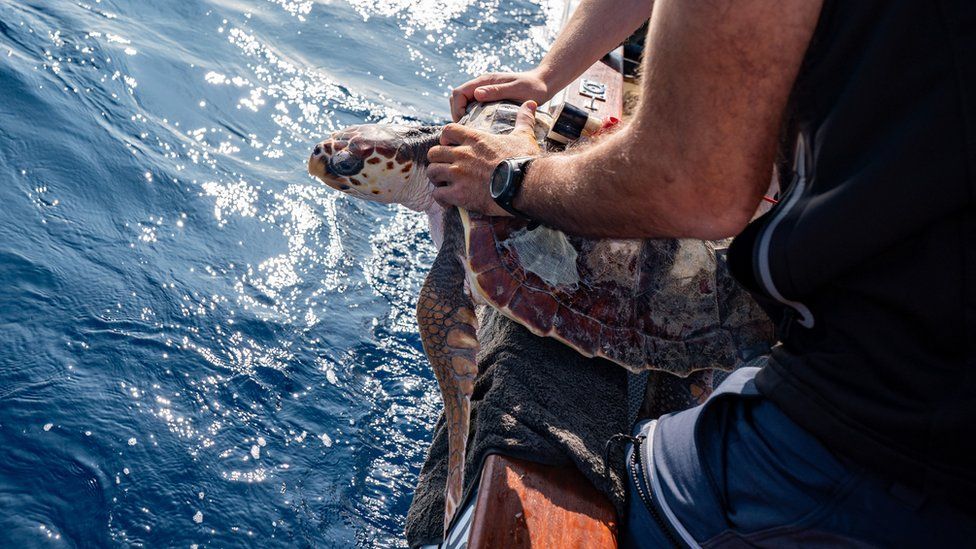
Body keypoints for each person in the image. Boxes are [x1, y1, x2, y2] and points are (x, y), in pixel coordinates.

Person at [428, 0, 976, 546]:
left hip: (886, 429)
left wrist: (509, 177)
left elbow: (689, 186)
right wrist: (547, 77)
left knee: (618, 483)